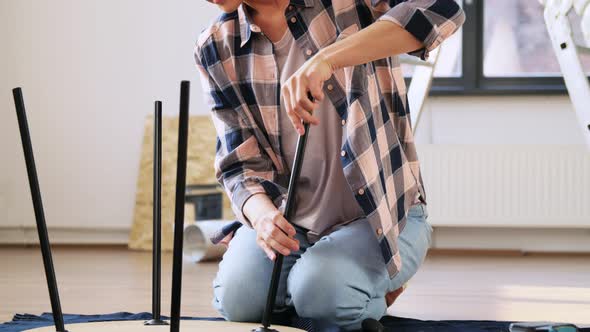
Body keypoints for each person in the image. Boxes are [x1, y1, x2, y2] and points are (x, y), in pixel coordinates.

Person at [195, 0, 465, 330]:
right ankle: (342, 291)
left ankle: (350, 291)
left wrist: (328, 58)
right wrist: (262, 216)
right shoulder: (215, 46)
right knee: (239, 300)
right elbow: (238, 165)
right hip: (292, 224)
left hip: (382, 218)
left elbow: (444, 10)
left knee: (319, 294)